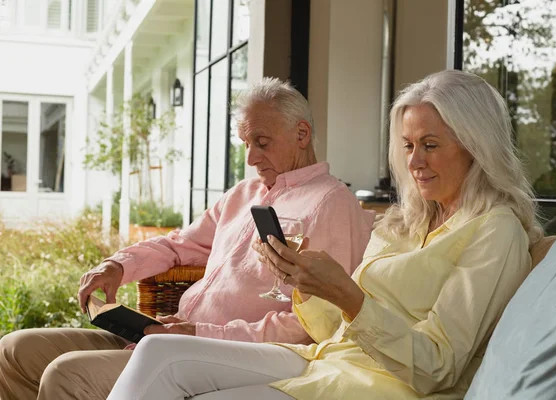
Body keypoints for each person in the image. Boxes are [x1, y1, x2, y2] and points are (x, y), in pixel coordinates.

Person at [106, 69, 545, 400]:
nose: (414, 162)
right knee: (158, 351)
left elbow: (438, 368)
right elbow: (331, 327)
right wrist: (308, 284)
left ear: (476, 146)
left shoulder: (494, 230)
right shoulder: (404, 222)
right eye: (408, 146)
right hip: (326, 360)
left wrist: (349, 296)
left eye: (430, 145)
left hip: (380, 386)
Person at [0, 78, 375, 400]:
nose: (250, 158)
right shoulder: (243, 194)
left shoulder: (330, 204)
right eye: (245, 143)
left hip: (211, 353)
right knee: (14, 350)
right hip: (167, 331)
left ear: (301, 134)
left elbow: (313, 326)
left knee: (66, 375)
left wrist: (198, 332)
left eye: (261, 142)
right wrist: (118, 265)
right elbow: (179, 245)